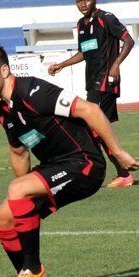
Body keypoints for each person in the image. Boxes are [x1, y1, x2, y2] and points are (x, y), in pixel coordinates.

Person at [0, 44, 138, 277]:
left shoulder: (32, 91)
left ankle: (32, 271)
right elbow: (19, 154)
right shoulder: (4, 112)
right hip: (55, 167)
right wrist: (20, 198)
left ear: (4, 70)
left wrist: (117, 152)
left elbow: (90, 110)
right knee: (3, 218)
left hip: (85, 164)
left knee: (18, 192)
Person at [48, 0, 135, 188]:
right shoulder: (81, 25)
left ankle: (112, 172)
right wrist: (62, 64)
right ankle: (123, 173)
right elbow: (83, 53)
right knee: (98, 131)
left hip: (105, 83)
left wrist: (115, 65)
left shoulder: (106, 18)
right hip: (92, 83)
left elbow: (129, 40)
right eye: (79, 1)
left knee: (92, 128)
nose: (83, 4)